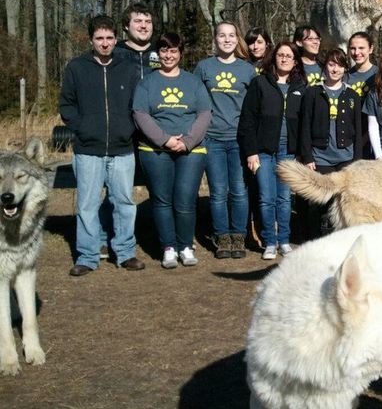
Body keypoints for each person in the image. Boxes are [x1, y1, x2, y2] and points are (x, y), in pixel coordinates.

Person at [59, 15, 144, 276]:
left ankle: (126, 252)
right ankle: (88, 255)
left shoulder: (128, 68)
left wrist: (128, 129)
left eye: (109, 38)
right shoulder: (76, 68)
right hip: (88, 150)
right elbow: (66, 105)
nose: (105, 43)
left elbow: (137, 105)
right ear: (91, 40)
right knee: (87, 204)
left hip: (122, 149)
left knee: (124, 202)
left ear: (116, 39)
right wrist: (82, 128)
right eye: (99, 38)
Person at [133, 32, 211, 269]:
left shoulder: (193, 82)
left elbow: (205, 113)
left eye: (173, 51)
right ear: (159, 53)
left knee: (186, 200)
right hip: (155, 150)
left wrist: (186, 141)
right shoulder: (147, 83)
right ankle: (168, 247)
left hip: (191, 150)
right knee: (162, 200)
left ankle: (185, 246)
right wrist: (165, 140)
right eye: (164, 51)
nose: (169, 55)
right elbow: (140, 114)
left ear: (180, 54)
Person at [238, 41, 307, 260]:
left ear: (295, 61)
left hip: (289, 152)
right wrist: (251, 152)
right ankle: (269, 242)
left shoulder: (301, 87)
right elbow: (247, 121)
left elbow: (304, 123)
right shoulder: (260, 83)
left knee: (284, 198)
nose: (284, 58)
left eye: (289, 56)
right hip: (263, 152)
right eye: (280, 55)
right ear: (274, 58)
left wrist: (301, 153)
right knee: (266, 198)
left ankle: (284, 241)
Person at [195, 21, 256, 259]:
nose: (227, 39)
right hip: (212, 139)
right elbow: (195, 101)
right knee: (218, 192)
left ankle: (238, 235)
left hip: (239, 140)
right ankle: (222, 237)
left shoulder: (247, 70)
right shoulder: (204, 67)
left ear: (237, 39)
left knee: (239, 191)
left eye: (231, 35)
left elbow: (253, 108)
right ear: (215, 39)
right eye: (222, 35)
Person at [299, 49, 363, 237]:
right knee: (320, 200)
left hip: (346, 157)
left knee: (343, 201)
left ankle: (341, 236)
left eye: (340, 65)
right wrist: (308, 156)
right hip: (320, 156)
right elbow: (305, 127)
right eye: (331, 64)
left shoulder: (352, 95)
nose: (335, 69)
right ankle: (316, 237)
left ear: (345, 69)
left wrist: (357, 160)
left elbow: (358, 130)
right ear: (325, 67)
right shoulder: (312, 93)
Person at [116, 2, 159, 79]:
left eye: (148, 22)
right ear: (126, 25)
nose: (143, 26)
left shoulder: (161, 52)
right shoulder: (115, 53)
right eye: (138, 21)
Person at [347, 31, 377, 99]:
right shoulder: (345, 77)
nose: (357, 52)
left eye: (361, 48)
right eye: (353, 48)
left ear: (370, 49)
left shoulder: (379, 74)